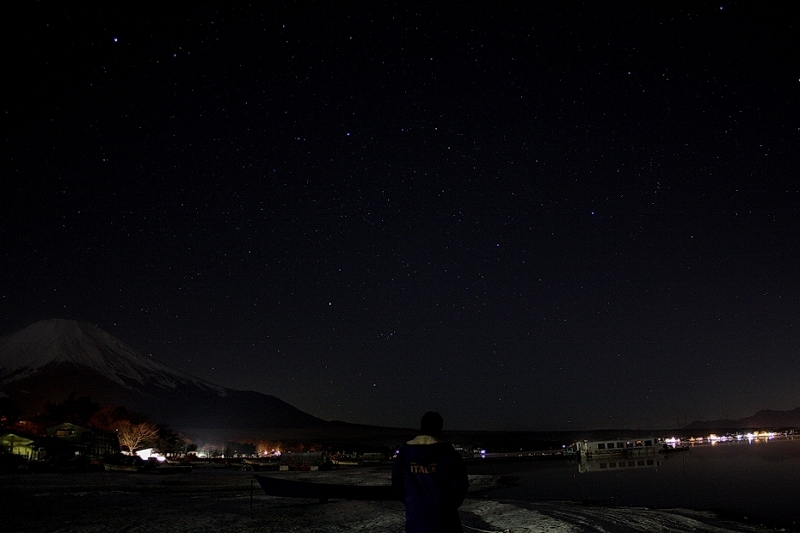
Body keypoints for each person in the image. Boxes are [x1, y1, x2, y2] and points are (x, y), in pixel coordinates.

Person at [392, 411, 469, 533]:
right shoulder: (448, 453)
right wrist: (449, 505)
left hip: (416, 520)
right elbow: (461, 484)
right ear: (439, 429)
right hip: (446, 521)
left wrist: (411, 501)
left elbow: (397, 483)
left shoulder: (405, 453)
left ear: (421, 428)